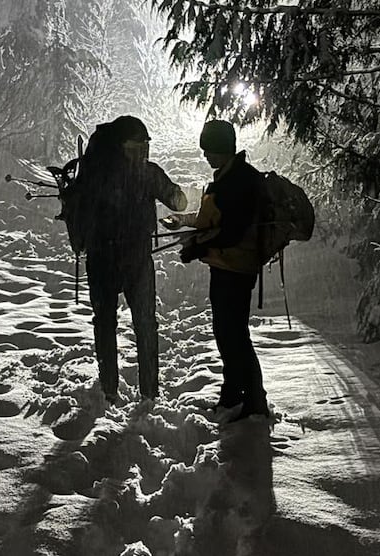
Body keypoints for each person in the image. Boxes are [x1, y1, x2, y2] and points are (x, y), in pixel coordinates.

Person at [70, 115, 186, 403]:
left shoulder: (94, 172)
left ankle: (110, 389)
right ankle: (149, 393)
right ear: (122, 146)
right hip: (137, 260)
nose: (142, 152)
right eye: (138, 146)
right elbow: (178, 200)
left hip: (101, 259)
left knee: (105, 323)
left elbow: (79, 210)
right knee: (145, 324)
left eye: (144, 147)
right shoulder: (146, 173)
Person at [176, 118, 270, 422]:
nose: (206, 156)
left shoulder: (237, 181)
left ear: (225, 148)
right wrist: (186, 225)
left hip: (235, 268)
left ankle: (254, 402)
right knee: (227, 334)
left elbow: (231, 231)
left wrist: (196, 248)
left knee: (234, 335)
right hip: (227, 265)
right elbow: (216, 222)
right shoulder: (231, 176)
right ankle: (233, 396)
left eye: (211, 150)